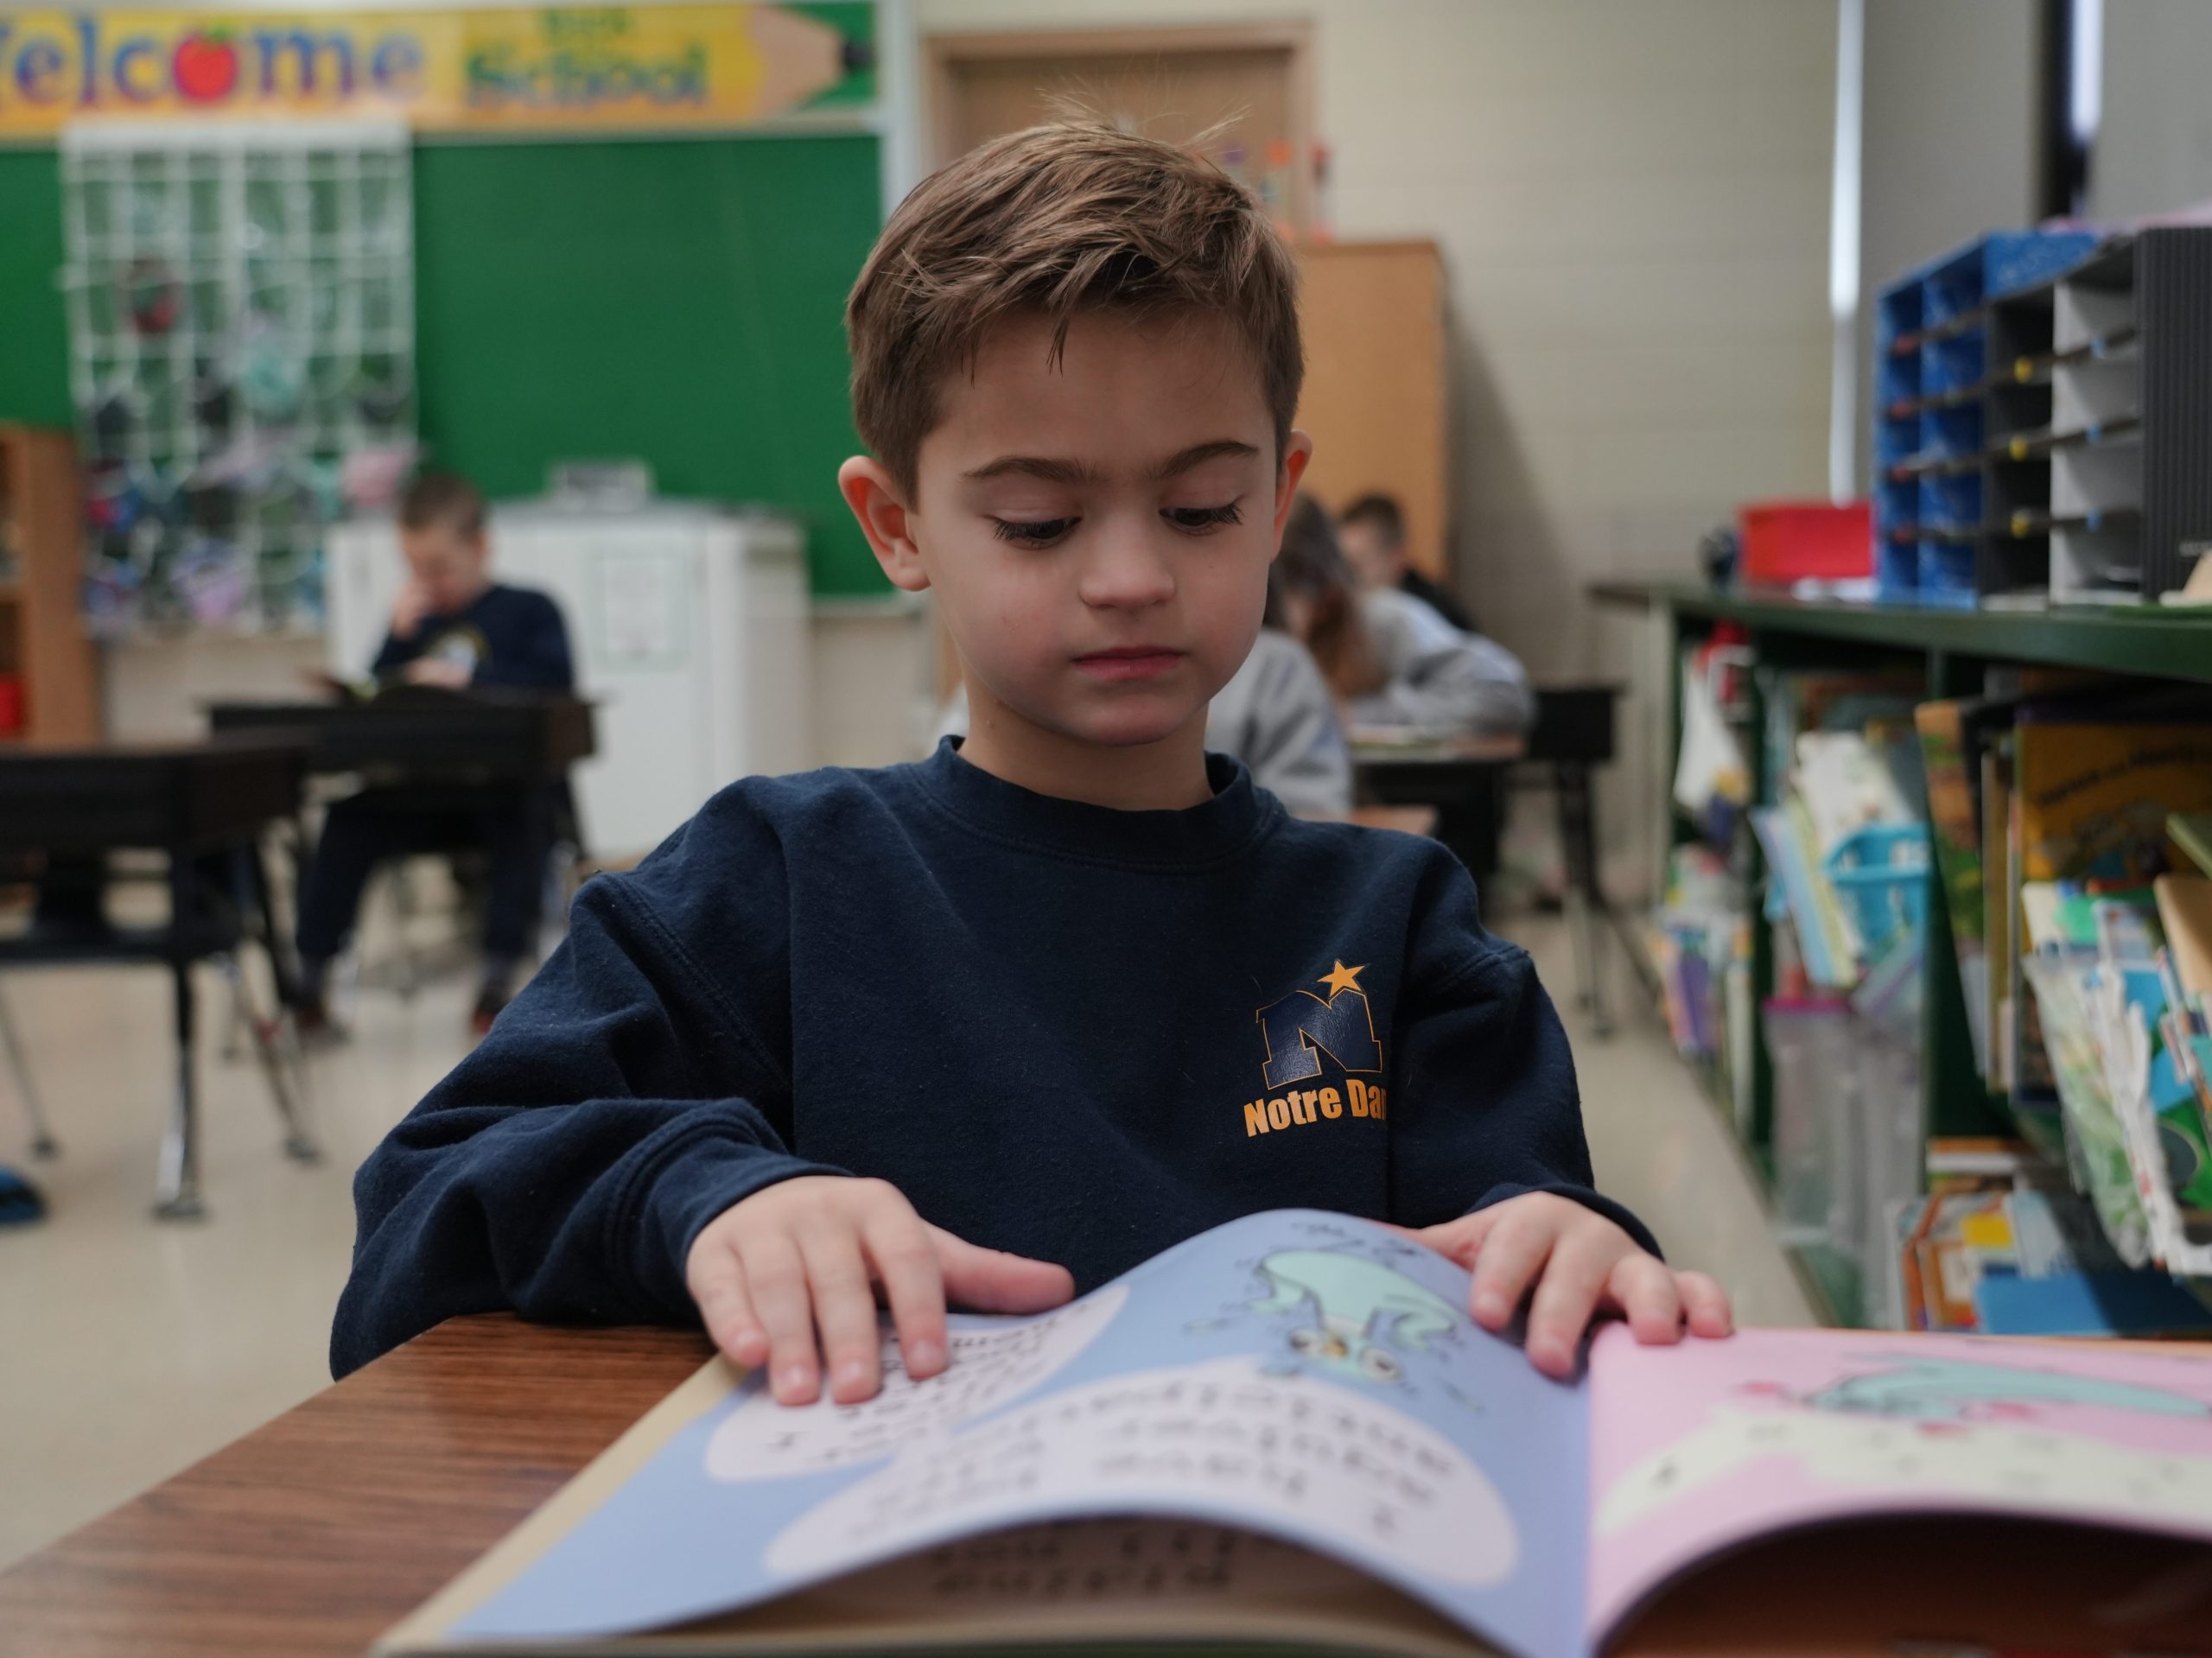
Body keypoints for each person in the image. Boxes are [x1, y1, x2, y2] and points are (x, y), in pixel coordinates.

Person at [332, 120, 1730, 1394]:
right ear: (897, 526)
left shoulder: (1403, 929)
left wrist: (1577, 1244)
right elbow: (411, 1237)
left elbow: (1529, 1258)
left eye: (1199, 506)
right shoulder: (772, 883)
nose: (1129, 576)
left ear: (1278, 499)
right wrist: (703, 1194)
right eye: (1038, 523)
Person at [293, 473, 575, 1038]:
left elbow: (557, 692)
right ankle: (309, 977)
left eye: (441, 567)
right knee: (349, 817)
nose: (429, 582)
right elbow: (375, 699)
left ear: (481, 547)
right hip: (422, 789)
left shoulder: (530, 610)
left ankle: (497, 977)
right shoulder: (415, 623)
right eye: (416, 568)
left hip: (505, 787)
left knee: (521, 814)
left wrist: (470, 682)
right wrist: (397, 642)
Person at [1276, 497, 1535, 740]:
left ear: (1325, 597)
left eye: (1355, 567)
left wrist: (1361, 715)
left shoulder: (1383, 617)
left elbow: (1504, 694)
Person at [1337, 492, 1477, 632]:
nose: (1345, 581)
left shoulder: (1442, 625)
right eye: (1339, 568)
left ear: (1396, 560)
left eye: (1355, 567)